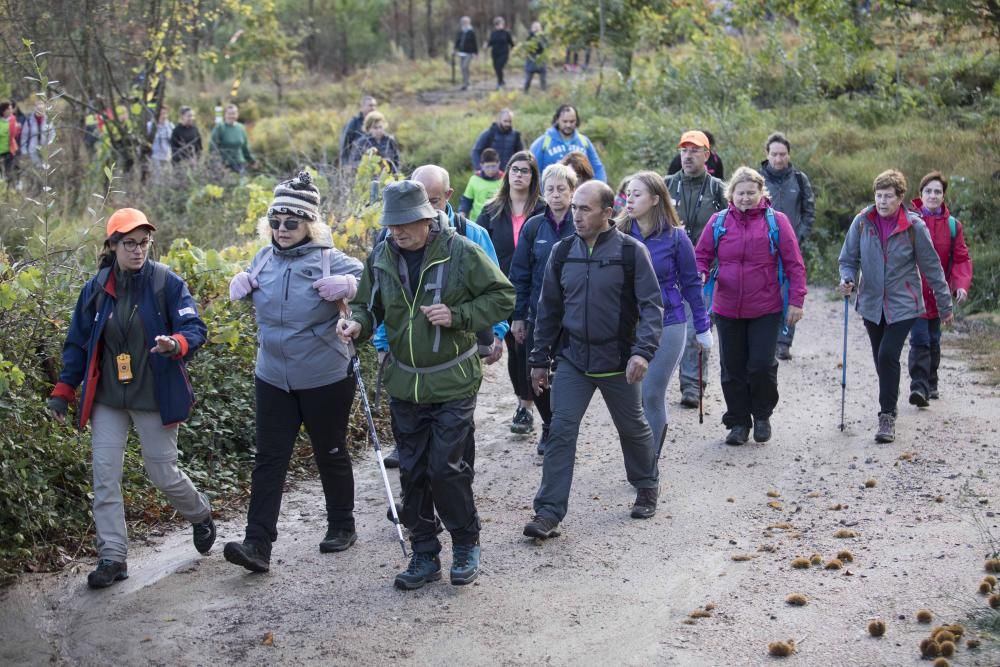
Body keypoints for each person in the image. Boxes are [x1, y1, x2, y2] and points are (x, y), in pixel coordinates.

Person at [338, 180, 515, 589]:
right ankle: (423, 554)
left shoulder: (461, 252)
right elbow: (368, 304)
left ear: (426, 218)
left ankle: (466, 543)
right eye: (391, 224)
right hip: (405, 384)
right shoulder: (381, 255)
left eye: (404, 224)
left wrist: (459, 314)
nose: (396, 231)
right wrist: (357, 324)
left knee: (446, 469)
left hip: (453, 380)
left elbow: (503, 297)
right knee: (413, 472)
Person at [46, 208, 214, 589]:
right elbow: (78, 344)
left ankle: (200, 513)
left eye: (143, 243)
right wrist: (63, 391)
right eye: (129, 243)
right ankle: (113, 557)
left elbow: (194, 327)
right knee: (104, 476)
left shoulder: (165, 283)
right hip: (108, 397)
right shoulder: (96, 288)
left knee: (162, 473)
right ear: (112, 245)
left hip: (152, 394)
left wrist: (177, 343)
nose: (138, 251)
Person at [223, 172, 363, 573]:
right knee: (269, 458)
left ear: (310, 224)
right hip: (272, 377)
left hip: (325, 376)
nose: (282, 230)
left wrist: (351, 286)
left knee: (330, 450)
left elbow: (376, 281)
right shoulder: (263, 258)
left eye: (292, 222)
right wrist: (241, 285)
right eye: (276, 222)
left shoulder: (328, 258)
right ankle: (257, 544)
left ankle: (342, 524)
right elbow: (260, 306)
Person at [523, 180, 664, 540]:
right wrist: (539, 360)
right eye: (574, 208)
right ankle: (548, 512)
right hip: (573, 359)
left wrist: (642, 352)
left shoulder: (631, 252)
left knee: (632, 427)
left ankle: (646, 484)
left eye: (585, 209)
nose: (577, 215)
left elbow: (651, 307)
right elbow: (548, 309)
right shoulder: (562, 252)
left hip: (618, 359)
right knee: (561, 431)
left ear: (606, 212)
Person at [374, 164, 510, 468]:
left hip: (460, 351)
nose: (424, 210)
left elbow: (497, 289)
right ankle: (419, 495)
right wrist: (382, 343)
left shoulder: (471, 235)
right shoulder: (391, 238)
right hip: (409, 358)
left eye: (432, 201)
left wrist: (497, 334)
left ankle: (458, 484)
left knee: (457, 428)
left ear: (448, 195)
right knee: (416, 430)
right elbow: (385, 297)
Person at [838, 170, 953, 443]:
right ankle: (890, 397)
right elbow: (847, 259)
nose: (882, 201)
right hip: (870, 303)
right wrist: (847, 279)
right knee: (882, 359)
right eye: (878, 196)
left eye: (888, 196)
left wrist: (944, 304)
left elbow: (932, 268)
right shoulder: (863, 222)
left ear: (900, 197)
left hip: (904, 304)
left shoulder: (914, 227)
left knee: (888, 355)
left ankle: (886, 416)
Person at [695, 167, 807, 445]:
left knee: (760, 365)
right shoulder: (718, 221)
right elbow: (701, 255)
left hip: (765, 307)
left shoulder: (776, 221)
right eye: (740, 193)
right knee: (732, 368)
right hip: (727, 306)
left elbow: (795, 265)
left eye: (750, 193)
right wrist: (700, 272)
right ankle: (738, 422)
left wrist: (796, 301)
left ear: (761, 193)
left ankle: (762, 414)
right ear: (731, 194)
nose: (745, 198)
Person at [618, 171, 713, 453]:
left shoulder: (676, 238)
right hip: (627, 325)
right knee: (630, 398)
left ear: (655, 199)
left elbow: (692, 284)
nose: (630, 200)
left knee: (651, 394)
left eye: (637, 195)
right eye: (628, 195)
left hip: (668, 322)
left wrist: (703, 327)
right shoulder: (618, 233)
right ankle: (636, 456)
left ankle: (649, 464)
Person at [476, 150, 547, 435]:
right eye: (515, 170)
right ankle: (524, 404)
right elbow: (477, 251)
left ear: (533, 176)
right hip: (502, 290)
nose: (519, 175)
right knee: (515, 350)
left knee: (529, 348)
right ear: (508, 174)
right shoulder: (492, 210)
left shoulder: (544, 210)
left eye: (525, 171)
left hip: (536, 291)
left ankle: (533, 407)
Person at [509, 163, 578, 456]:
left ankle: (562, 430)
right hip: (539, 315)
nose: (556, 194)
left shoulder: (582, 222)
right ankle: (549, 423)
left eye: (562, 189)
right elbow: (520, 273)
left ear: (573, 191)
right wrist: (518, 316)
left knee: (568, 377)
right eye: (550, 189)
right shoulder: (534, 226)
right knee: (534, 374)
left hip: (575, 317)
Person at [665, 130, 727, 408]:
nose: (687, 156)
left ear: (707, 154)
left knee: (695, 329)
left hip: (704, 272)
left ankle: (692, 385)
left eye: (694, 150)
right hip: (666, 270)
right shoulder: (665, 186)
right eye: (684, 150)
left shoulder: (719, 190)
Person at [907, 171, 972, 404]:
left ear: (943, 196)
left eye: (937, 192)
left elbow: (961, 258)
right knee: (920, 339)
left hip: (939, 294)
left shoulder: (953, 226)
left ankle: (931, 382)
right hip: (914, 292)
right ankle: (919, 387)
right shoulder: (909, 222)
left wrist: (960, 285)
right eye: (928, 191)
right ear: (920, 194)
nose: (933, 196)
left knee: (934, 339)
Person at [760, 132, 816, 360]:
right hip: (761, 248)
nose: (778, 159)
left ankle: (784, 341)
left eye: (782, 154)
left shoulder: (800, 180)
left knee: (789, 294)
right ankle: (765, 339)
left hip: (791, 248)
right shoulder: (756, 180)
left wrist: (799, 236)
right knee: (763, 293)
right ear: (767, 154)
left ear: (788, 154)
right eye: (774, 154)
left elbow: (809, 211)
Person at [530, 104, 607, 182]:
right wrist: (545, 191)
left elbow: (598, 168)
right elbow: (533, 172)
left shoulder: (584, 142)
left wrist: (599, 188)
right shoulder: (542, 143)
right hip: (552, 191)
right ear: (557, 120)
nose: (568, 125)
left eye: (572, 121)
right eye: (565, 121)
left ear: (577, 121)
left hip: (580, 192)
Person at [209, 103, 255, 174]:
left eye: (234, 113)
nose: (231, 116)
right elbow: (212, 146)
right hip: (225, 164)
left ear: (237, 114)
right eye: (229, 113)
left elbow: (245, 147)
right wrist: (216, 163)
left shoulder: (241, 127)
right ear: (225, 115)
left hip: (240, 164)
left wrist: (252, 161)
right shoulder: (220, 127)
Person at [460, 148, 504, 220]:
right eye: (487, 167)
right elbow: (467, 200)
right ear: (481, 165)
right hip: (476, 221)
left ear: (499, 163)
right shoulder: (474, 179)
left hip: (498, 220)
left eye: (493, 166)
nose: (490, 170)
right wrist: (462, 212)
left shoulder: (504, 179)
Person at [339, 95, 377, 165]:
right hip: (356, 164)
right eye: (370, 105)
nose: (373, 108)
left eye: (375, 106)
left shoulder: (377, 123)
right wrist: (345, 165)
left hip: (373, 164)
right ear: (362, 107)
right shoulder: (353, 123)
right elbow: (345, 145)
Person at [19, 99, 54, 166]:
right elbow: (24, 136)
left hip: (45, 149)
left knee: (45, 169)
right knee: (36, 168)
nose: (40, 111)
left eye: (41, 109)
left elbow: (52, 134)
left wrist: (50, 143)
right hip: (32, 149)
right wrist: (24, 150)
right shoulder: (29, 121)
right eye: (38, 108)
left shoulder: (48, 120)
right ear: (35, 108)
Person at [486, 17, 514, 90]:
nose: (499, 26)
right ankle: (502, 81)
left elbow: (511, 43)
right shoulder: (493, 33)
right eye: (497, 25)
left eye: (501, 24)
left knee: (499, 67)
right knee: (496, 68)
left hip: (504, 53)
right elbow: (490, 42)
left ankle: (499, 83)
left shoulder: (506, 33)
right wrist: (486, 45)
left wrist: (515, 50)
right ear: (495, 25)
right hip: (495, 53)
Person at [147, 106, 174, 179]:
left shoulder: (170, 126)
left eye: (165, 113)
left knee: (168, 179)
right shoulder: (150, 126)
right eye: (161, 114)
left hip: (167, 157)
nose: (164, 116)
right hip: (155, 157)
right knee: (157, 180)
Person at [454, 16, 479, 91]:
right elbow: (457, 41)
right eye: (463, 22)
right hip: (461, 52)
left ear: (469, 23)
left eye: (466, 22)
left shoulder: (471, 32)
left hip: (469, 52)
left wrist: (476, 53)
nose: (464, 23)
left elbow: (475, 43)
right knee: (462, 68)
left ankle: (467, 83)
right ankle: (465, 83)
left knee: (465, 66)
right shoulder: (461, 32)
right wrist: (455, 49)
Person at [523, 21, 548, 92]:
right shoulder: (529, 37)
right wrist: (533, 35)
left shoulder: (543, 37)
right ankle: (525, 92)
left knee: (543, 79)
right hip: (531, 60)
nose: (536, 29)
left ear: (541, 28)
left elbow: (545, 47)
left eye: (538, 27)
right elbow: (527, 47)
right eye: (535, 27)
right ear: (532, 28)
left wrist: (539, 39)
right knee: (528, 79)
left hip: (541, 60)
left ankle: (544, 92)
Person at [0, 101, 18, 182]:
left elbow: (14, 134)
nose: (11, 110)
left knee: (9, 171)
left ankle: (9, 188)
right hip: (1, 150)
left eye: (11, 108)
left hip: (10, 150)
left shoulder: (13, 119)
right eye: (9, 109)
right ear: (4, 110)